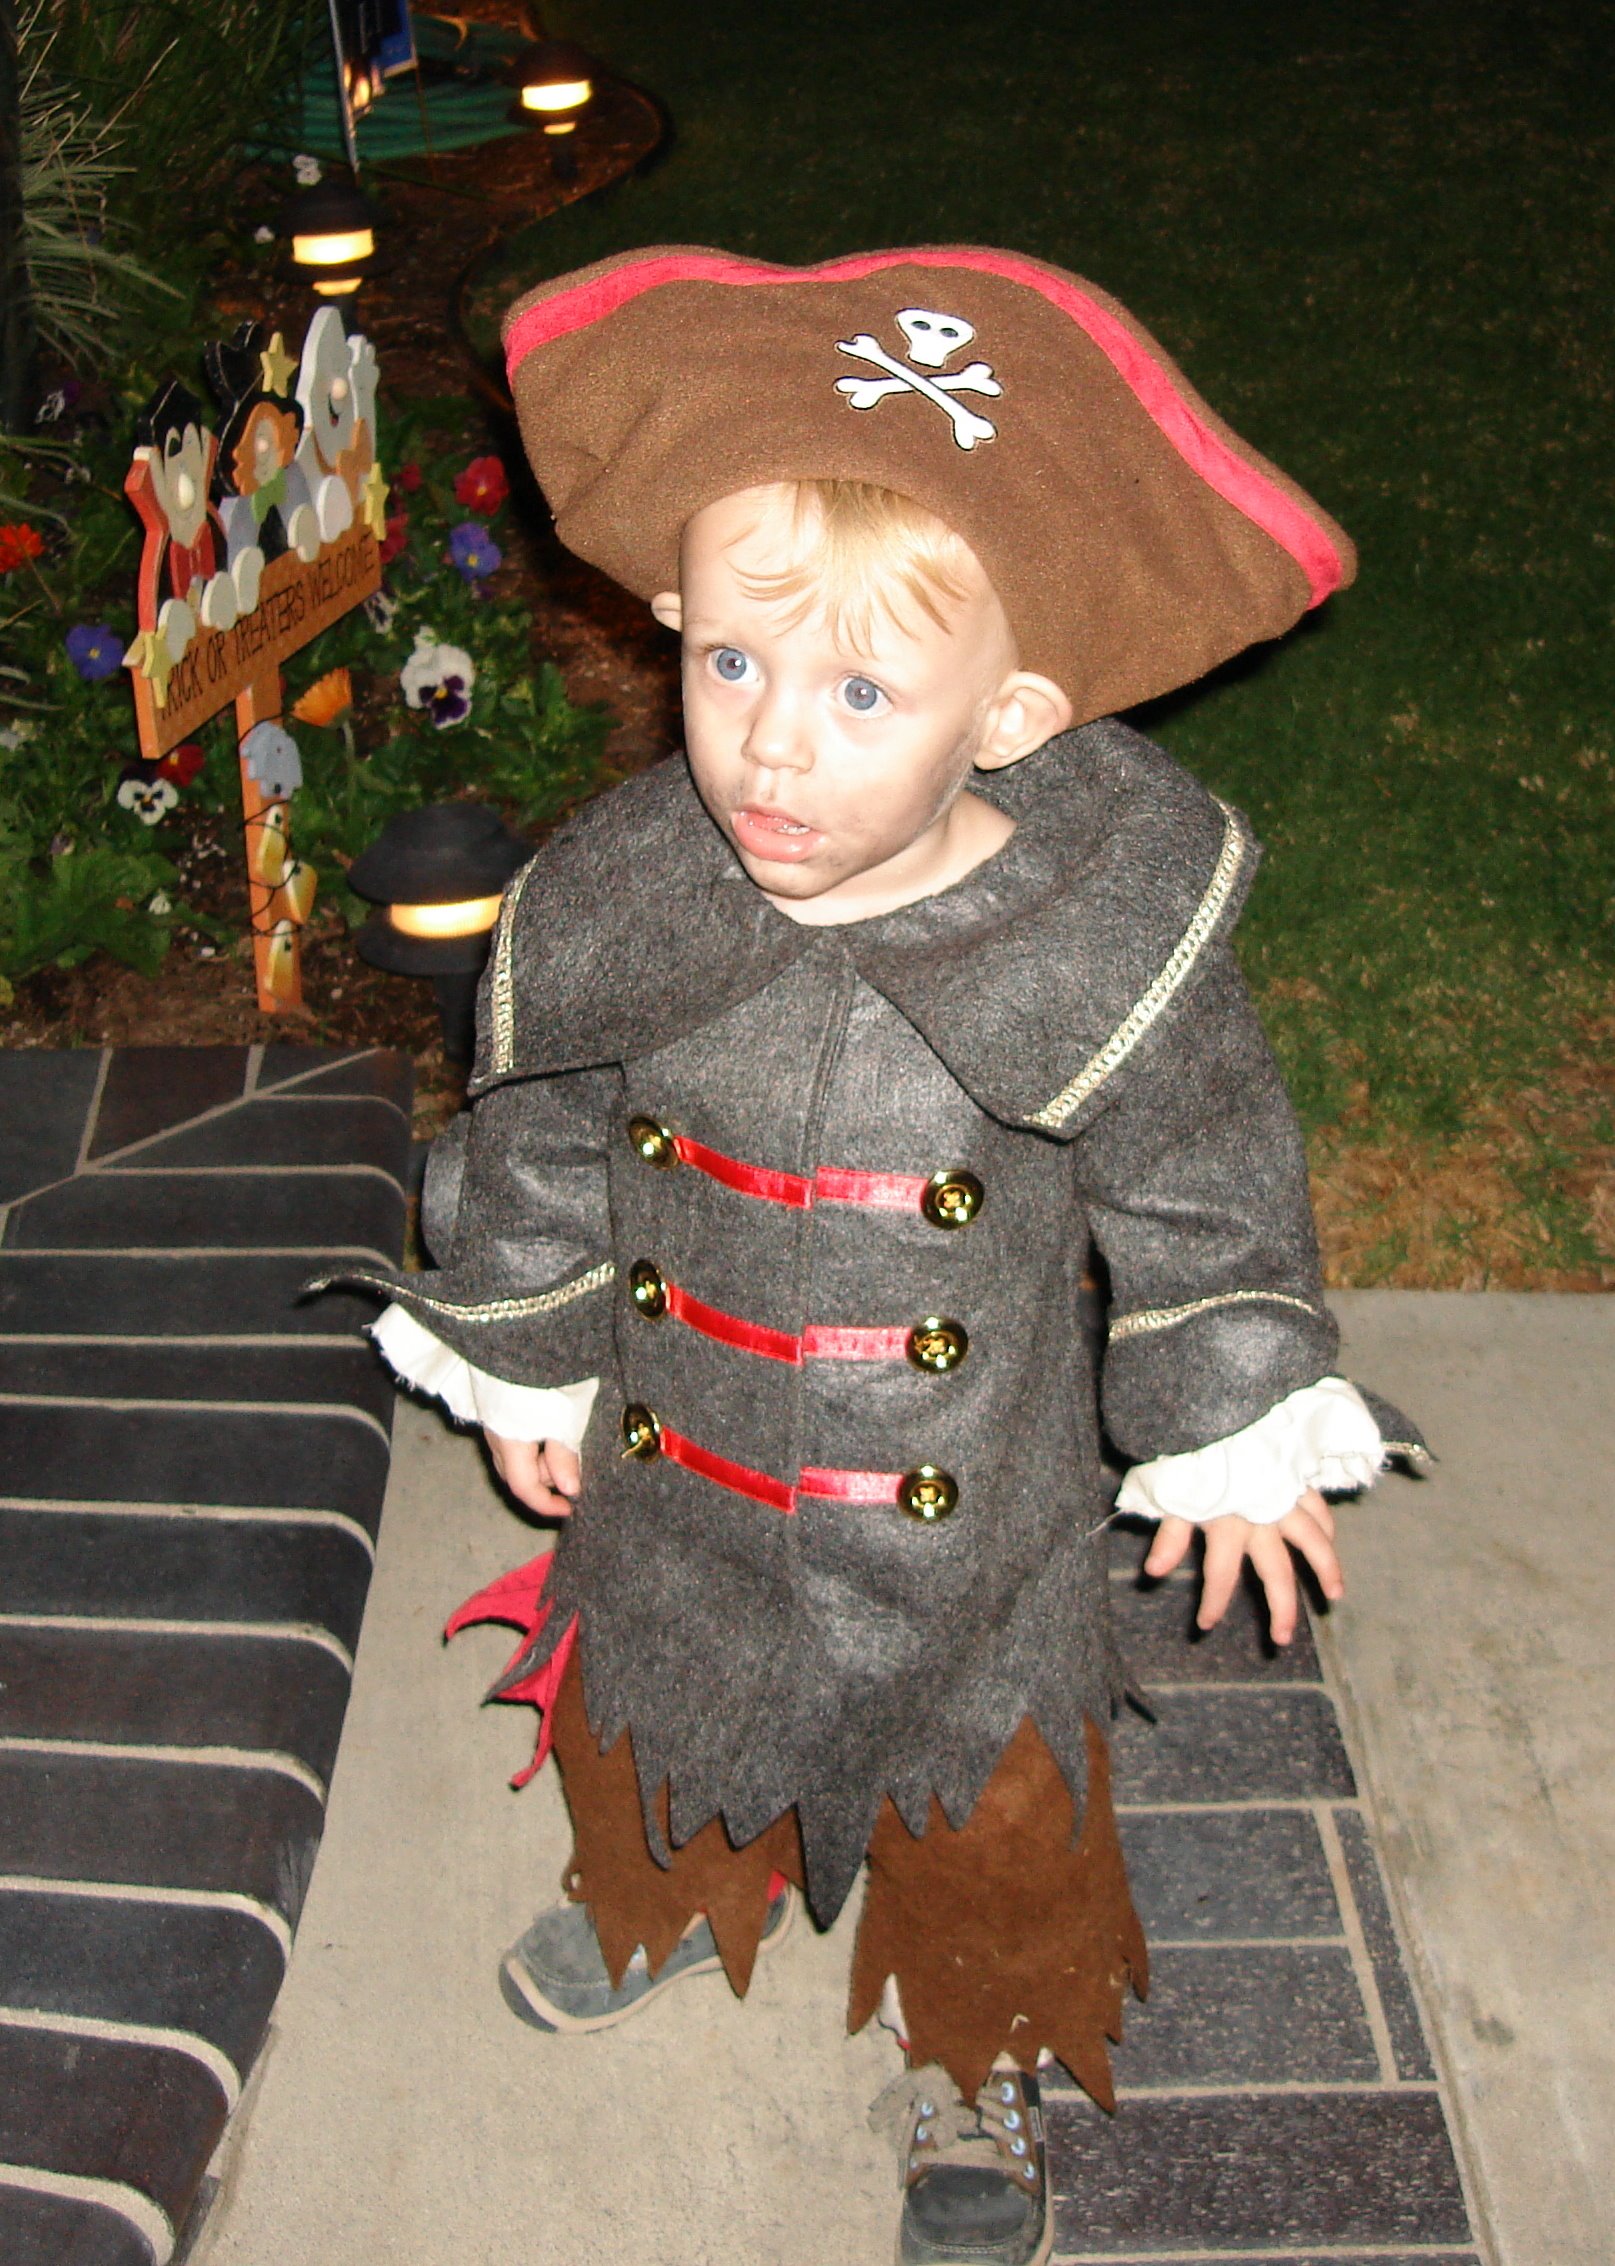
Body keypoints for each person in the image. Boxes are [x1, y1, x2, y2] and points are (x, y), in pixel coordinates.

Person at [332, 247, 1424, 2266]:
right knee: (655, 1716)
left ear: (1009, 711)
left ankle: (980, 2042)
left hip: (967, 1523)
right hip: (680, 1472)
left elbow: (1202, 1179)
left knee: (986, 1806)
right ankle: (677, 1892)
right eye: (735, 664)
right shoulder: (627, 898)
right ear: (670, 619)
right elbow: (542, 1131)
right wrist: (531, 1342)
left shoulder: (1092, 935)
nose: (772, 748)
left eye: (858, 694)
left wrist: (1234, 1413)